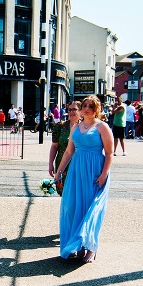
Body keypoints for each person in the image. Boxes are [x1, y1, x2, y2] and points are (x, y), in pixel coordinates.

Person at [55, 95, 113, 262]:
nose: (87, 108)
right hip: (76, 171)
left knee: (91, 209)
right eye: (85, 106)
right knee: (72, 207)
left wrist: (103, 174)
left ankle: (91, 248)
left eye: (91, 106)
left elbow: (109, 153)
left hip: (95, 171)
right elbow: (68, 152)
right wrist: (59, 171)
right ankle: (78, 244)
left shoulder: (102, 127)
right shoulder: (76, 127)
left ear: (96, 109)